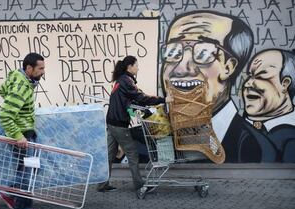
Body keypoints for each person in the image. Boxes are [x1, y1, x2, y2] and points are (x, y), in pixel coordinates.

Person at [160, 10, 270, 163]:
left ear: (228, 67)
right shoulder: (147, 143)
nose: (180, 69)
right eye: (173, 51)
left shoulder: (257, 147)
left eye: (203, 53)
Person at [97, 55, 165, 195]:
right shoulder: (127, 81)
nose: (138, 68)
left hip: (111, 122)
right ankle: (140, 185)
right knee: (133, 154)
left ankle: (102, 184)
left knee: (110, 154)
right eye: (136, 65)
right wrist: (162, 99)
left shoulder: (120, 80)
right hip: (119, 124)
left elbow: (129, 100)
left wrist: (136, 107)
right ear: (130, 67)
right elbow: (140, 96)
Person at [0, 53, 45, 209]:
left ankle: (9, 193)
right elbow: (4, 115)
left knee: (26, 169)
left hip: (23, 133)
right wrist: (18, 135)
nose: (43, 72)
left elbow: (2, 90)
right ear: (29, 68)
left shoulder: (18, 77)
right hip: (22, 135)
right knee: (28, 172)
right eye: (40, 68)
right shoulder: (22, 86)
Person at [243, 49, 295, 162]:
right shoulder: (236, 129)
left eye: (261, 76)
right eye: (250, 76)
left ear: (285, 83)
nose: (248, 83)